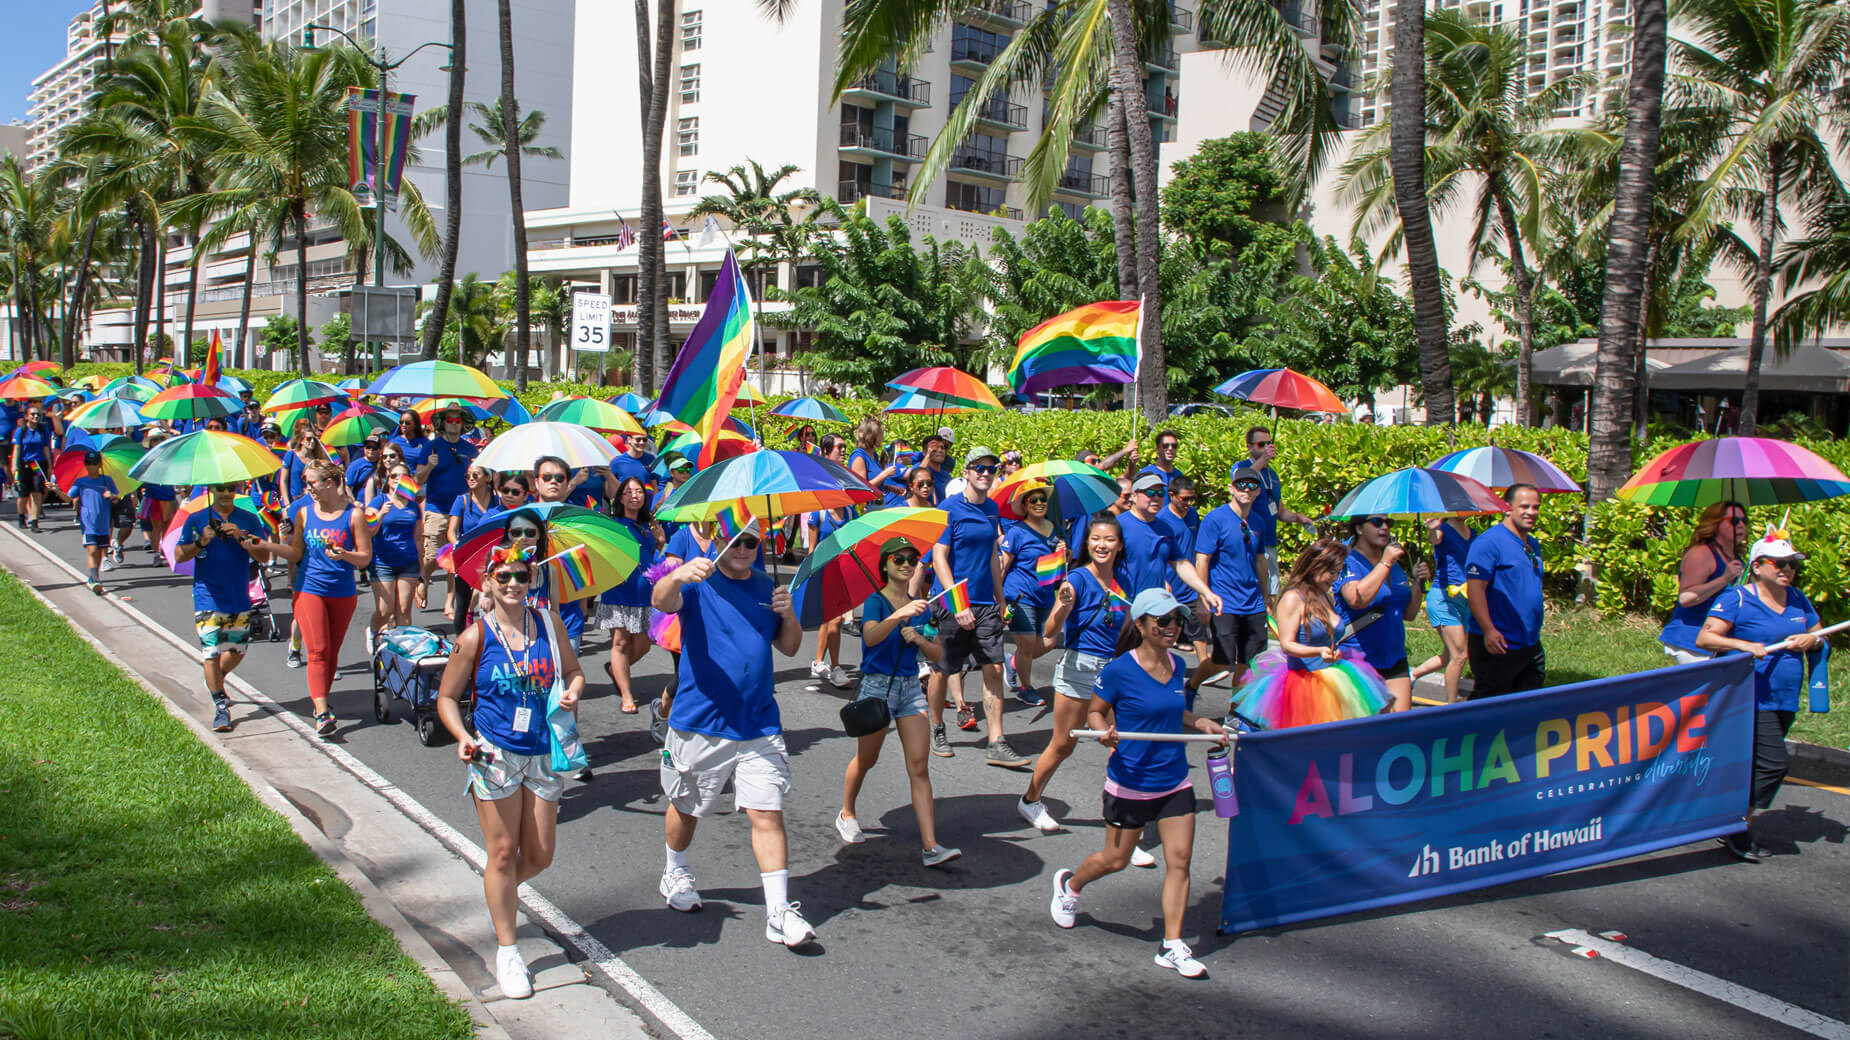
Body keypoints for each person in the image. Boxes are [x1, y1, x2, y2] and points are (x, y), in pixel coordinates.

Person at [1047, 588, 1227, 980]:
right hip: (1130, 781)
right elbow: (1096, 711)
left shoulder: (1178, 666)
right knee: (1115, 860)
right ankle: (1071, 884)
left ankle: (1172, 945)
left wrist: (1202, 723)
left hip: (1174, 782)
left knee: (1179, 861)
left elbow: (1179, 713)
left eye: (1176, 620)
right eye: (1163, 621)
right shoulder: (1118, 671)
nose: (1172, 627)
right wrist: (1103, 732)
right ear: (1143, 624)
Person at [651, 524, 816, 948]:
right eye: (735, 541)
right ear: (718, 542)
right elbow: (660, 600)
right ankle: (675, 869)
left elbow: (792, 648)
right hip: (699, 721)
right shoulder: (698, 580)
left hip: (758, 721)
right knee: (686, 807)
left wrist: (789, 612)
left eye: (751, 542)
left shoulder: (767, 585)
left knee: (767, 812)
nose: (743, 549)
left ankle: (778, 911)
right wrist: (676, 575)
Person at [438, 541, 585, 1000]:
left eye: (522, 576)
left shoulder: (548, 622)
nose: (514, 584)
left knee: (539, 855)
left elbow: (576, 671)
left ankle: (497, 894)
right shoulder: (474, 637)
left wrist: (573, 693)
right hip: (493, 752)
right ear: (488, 583)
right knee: (502, 853)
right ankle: (508, 949)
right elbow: (446, 698)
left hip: (543, 750)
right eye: (504, 577)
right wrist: (463, 737)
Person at [1695, 523, 1824, 861]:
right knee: (1774, 764)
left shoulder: (1798, 600)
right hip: (1749, 695)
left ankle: (1726, 814)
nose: (1788, 570)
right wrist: (1743, 644)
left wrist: (1813, 640)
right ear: (1757, 566)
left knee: (1752, 763)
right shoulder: (1737, 599)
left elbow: (1818, 634)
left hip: (1784, 695)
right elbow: (1706, 638)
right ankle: (1735, 825)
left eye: (1792, 564)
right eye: (1779, 563)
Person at [836, 537, 961, 866]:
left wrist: (919, 636)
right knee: (867, 759)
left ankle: (931, 846)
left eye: (911, 559)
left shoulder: (921, 605)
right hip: (877, 686)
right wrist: (899, 616)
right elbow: (871, 637)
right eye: (898, 560)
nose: (906, 565)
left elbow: (936, 653)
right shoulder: (876, 601)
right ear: (885, 565)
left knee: (919, 767)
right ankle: (847, 812)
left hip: (909, 689)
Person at [1020, 513, 1132, 835]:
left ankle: (1124, 821)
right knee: (1062, 745)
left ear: (1119, 545)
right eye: (1096, 538)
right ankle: (1029, 800)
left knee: (1119, 744)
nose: (1102, 545)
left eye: (1109, 539)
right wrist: (1063, 605)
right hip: (1079, 669)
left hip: (1112, 672)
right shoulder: (1076, 580)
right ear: (1087, 542)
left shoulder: (1122, 582)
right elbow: (1052, 630)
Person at [928, 446, 1029, 770]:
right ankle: (937, 727)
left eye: (992, 468)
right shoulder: (949, 509)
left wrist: (1000, 599)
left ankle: (996, 741)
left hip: (986, 602)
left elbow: (991, 557)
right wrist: (957, 604)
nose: (987, 474)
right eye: (980, 469)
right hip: (953, 602)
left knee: (994, 668)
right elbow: (939, 558)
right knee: (943, 670)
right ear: (967, 472)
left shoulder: (991, 510)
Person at [1231, 537, 1389, 729]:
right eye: (1331, 572)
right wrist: (1319, 651)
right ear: (1315, 566)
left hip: (1334, 678)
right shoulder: (1293, 598)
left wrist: (1332, 650)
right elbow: (1287, 645)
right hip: (1302, 684)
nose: (1334, 578)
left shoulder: (1324, 595)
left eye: (1338, 573)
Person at [273, 459, 372, 734]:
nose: (308, 488)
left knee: (330, 653)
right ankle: (322, 711)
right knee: (316, 650)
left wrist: (344, 554)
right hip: (309, 589)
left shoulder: (354, 515)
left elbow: (364, 559)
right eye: (306, 482)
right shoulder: (304, 513)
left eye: (311, 482)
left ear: (329, 483)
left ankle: (322, 703)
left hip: (342, 592)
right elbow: (295, 554)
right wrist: (272, 544)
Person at [174, 481, 272, 732]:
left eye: (230, 488)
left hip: (239, 596)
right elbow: (179, 555)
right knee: (211, 650)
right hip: (207, 596)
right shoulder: (196, 519)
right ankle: (220, 706)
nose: (226, 493)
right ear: (211, 491)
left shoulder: (248, 519)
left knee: (237, 650)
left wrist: (241, 537)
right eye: (220, 489)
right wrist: (201, 542)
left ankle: (215, 679)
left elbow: (264, 557)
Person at [1337, 515, 1429, 712]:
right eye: (1377, 522)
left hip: (1394, 656)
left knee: (1400, 728)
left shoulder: (1394, 565)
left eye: (1389, 523)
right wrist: (1384, 563)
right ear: (1359, 528)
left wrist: (1418, 584)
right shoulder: (1348, 561)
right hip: (1359, 659)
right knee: (1367, 731)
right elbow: (1356, 600)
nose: (1384, 528)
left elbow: (1409, 614)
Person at [1193, 468, 1270, 704]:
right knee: (1222, 661)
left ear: (1258, 492)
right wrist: (1202, 598)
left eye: (1252, 485)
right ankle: (1191, 686)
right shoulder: (1215, 519)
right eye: (1241, 485)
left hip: (1253, 601)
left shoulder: (1258, 521)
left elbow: (1259, 559)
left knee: (1249, 663)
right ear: (1231, 489)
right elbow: (1202, 559)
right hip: (1224, 601)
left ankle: (1235, 713)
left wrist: (1267, 597)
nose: (1246, 490)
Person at [1463, 484, 1546, 698]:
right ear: (1508, 508)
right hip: (1498, 643)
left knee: (1527, 708)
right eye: (1524, 506)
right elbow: (1476, 590)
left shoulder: (1533, 545)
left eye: (1535, 507)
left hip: (1529, 642)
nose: (1531, 512)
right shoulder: (1488, 543)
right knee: (1488, 708)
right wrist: (1488, 629)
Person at [598, 476, 661, 714]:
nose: (635, 495)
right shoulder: (613, 524)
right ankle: (626, 695)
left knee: (644, 644)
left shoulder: (647, 528)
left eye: (639, 492)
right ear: (620, 497)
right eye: (629, 491)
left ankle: (616, 668)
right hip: (618, 591)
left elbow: (652, 559)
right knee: (621, 642)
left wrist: (660, 542)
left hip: (644, 594)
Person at [998, 481, 1064, 706]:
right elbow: (1004, 565)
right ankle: (1025, 688)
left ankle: (1013, 661)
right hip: (1019, 595)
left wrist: (1065, 553)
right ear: (1024, 505)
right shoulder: (1016, 532)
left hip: (1046, 594)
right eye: (1033, 500)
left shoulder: (1055, 528)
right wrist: (998, 599)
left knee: (1048, 643)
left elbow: (1061, 566)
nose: (1039, 503)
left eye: (1042, 499)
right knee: (1026, 643)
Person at [1231, 426, 1313, 601]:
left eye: (1269, 443)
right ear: (1249, 446)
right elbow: (1242, 481)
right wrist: (1263, 459)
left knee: (1271, 595)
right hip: (1250, 540)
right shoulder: (1241, 467)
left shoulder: (1272, 474)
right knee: (1251, 592)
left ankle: (1267, 625)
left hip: (1269, 541)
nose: (1267, 447)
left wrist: (1298, 518)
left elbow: (1280, 511)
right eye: (1261, 444)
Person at [1660, 502, 1748, 664]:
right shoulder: (1701, 553)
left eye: (1745, 521)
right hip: (1691, 640)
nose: (1741, 526)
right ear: (1715, 524)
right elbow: (1686, 598)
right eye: (1734, 521)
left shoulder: (1735, 558)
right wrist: (1723, 579)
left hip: (1718, 640)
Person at [1410, 517, 1476, 702]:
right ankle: (1451, 705)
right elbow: (1434, 539)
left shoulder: (1473, 533)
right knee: (1460, 655)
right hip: (1444, 599)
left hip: (1465, 597)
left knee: (1449, 656)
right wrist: (1432, 530)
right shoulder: (1443, 529)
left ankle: (1412, 675)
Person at [422, 407, 479, 605]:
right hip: (437, 509)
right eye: (449, 420)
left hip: (463, 509)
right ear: (442, 423)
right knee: (431, 556)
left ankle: (450, 602)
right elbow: (417, 478)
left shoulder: (470, 449)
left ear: (463, 424)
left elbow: (477, 476)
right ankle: (424, 579)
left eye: (457, 420)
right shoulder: (431, 447)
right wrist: (429, 465)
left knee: (456, 557)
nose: (453, 423)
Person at [364, 462, 425, 638]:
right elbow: (368, 531)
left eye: (403, 476)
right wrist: (380, 514)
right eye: (394, 476)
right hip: (383, 561)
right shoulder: (379, 501)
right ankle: (374, 632)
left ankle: (403, 649)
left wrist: (422, 570)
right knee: (385, 610)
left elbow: (418, 537)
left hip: (408, 561)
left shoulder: (414, 506)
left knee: (404, 610)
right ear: (388, 480)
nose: (398, 480)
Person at [447, 465, 499, 626]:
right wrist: (457, 546)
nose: (471, 479)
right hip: (468, 555)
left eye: (475, 475)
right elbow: (451, 531)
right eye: (468, 476)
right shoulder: (462, 500)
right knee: (462, 605)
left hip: (492, 555)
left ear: (487, 478)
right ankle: (460, 641)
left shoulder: (498, 500)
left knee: (493, 600)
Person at [67, 451, 118, 593]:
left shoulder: (107, 480)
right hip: (88, 523)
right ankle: (94, 578)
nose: (91, 467)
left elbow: (116, 498)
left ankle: (94, 576)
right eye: (88, 464)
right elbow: (67, 497)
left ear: (99, 464)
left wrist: (111, 495)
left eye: (94, 464)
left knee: (100, 551)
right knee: (92, 549)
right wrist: (56, 490)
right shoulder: (81, 481)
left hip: (103, 523)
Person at [11, 402, 54, 531]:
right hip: (25, 464)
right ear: (27, 417)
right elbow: (17, 449)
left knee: (37, 491)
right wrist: (14, 466)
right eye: (33, 414)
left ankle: (34, 521)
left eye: (38, 414)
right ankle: (21, 517)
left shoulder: (42, 430)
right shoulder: (21, 431)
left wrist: (50, 465)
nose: (36, 416)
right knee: (23, 494)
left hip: (37, 464)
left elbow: (46, 448)